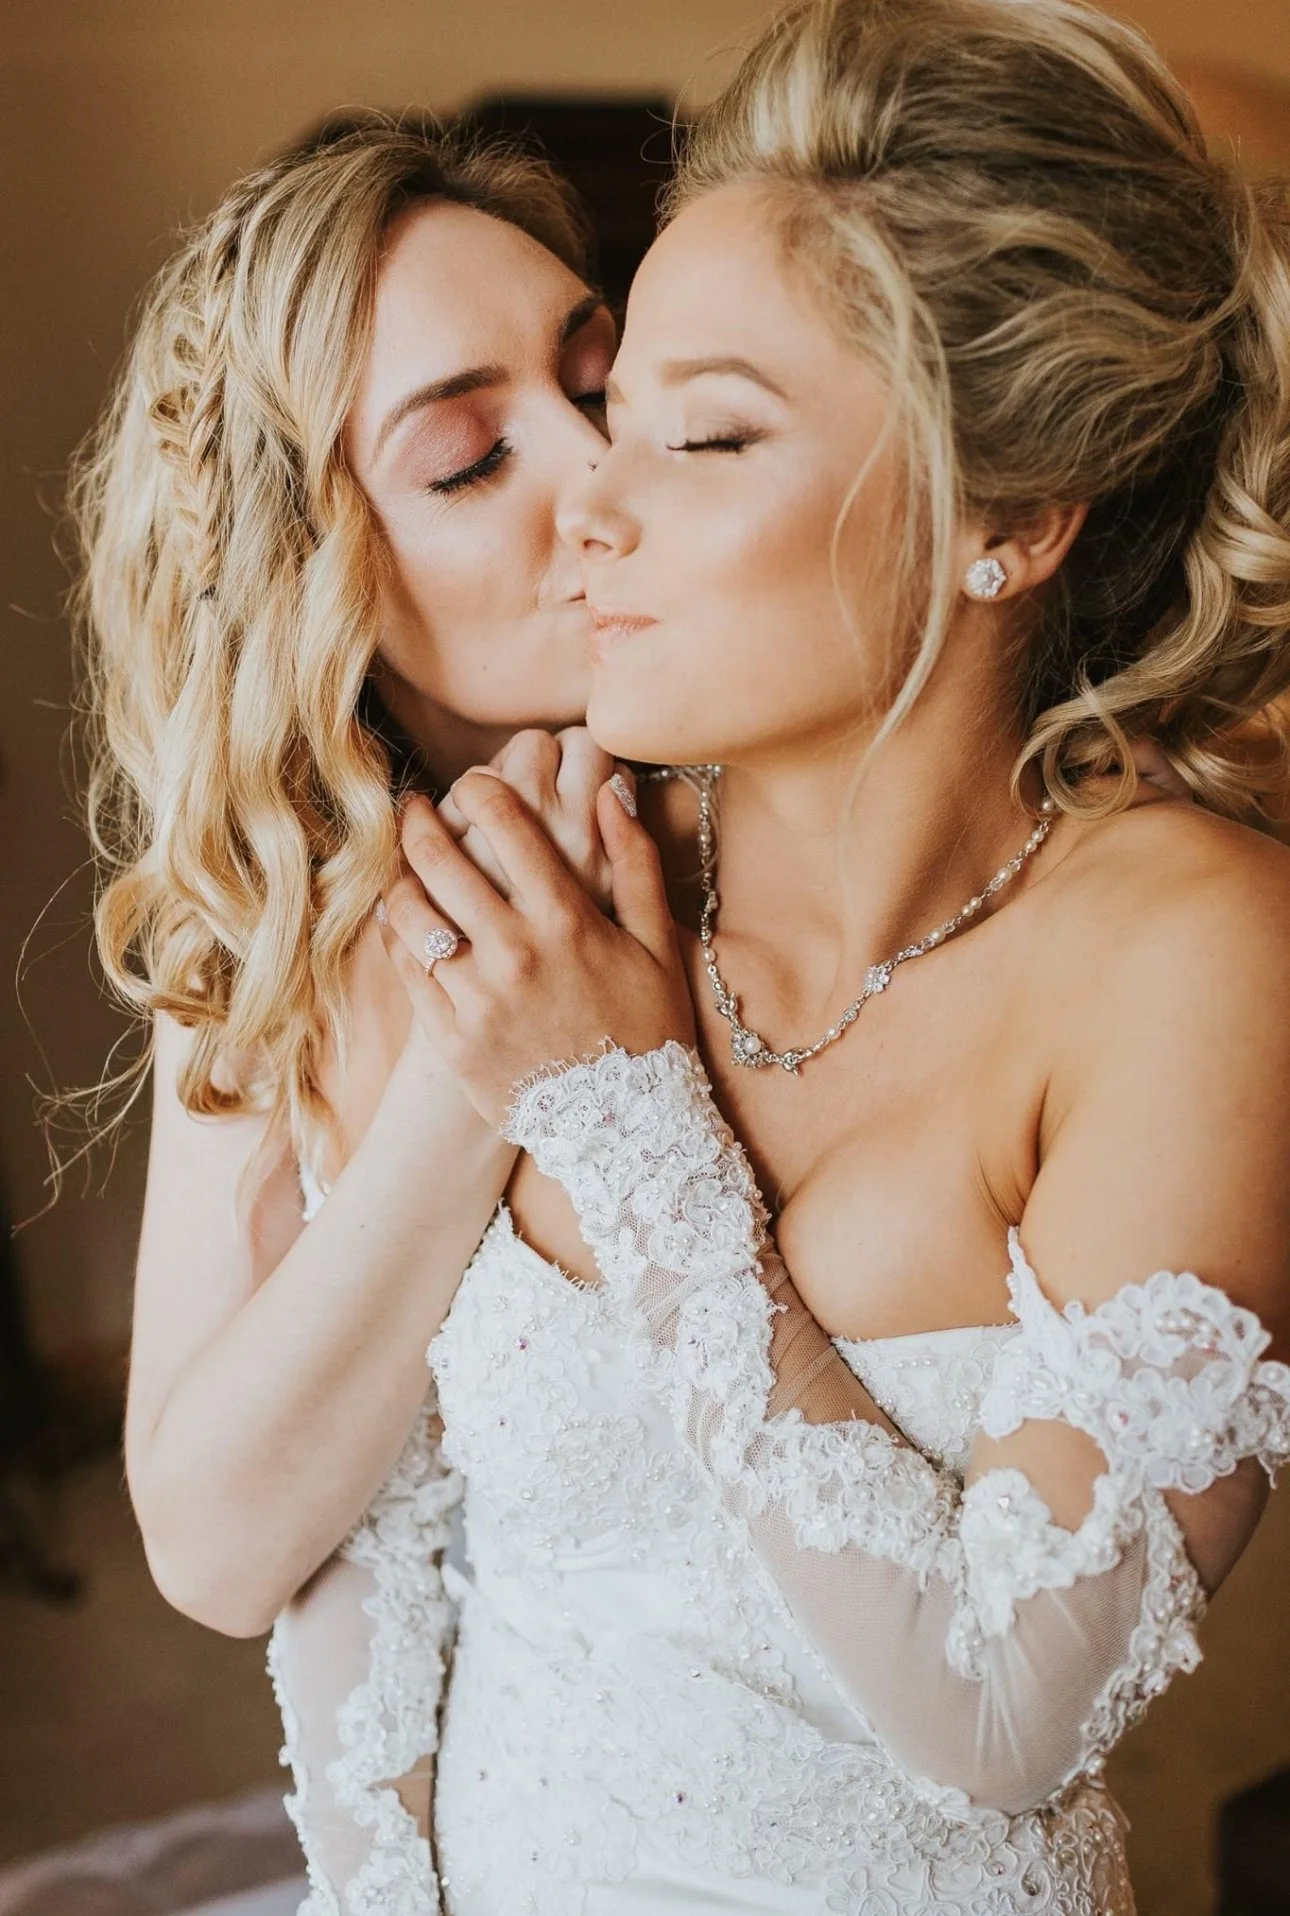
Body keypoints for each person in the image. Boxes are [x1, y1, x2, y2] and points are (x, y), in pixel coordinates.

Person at [376, 1, 1290, 1909]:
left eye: (704, 435)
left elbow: (1011, 1716)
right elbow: (348, 1565)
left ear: (1007, 519)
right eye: (615, 417)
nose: (587, 507)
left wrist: (631, 1123)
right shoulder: (553, 876)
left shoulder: (1195, 953)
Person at [69, 121, 619, 1913]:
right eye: (470, 456)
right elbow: (214, 1549)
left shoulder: (797, 847)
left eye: (602, 383)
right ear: (310, 574)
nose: (602, 469)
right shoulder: (269, 930)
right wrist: (478, 1053)